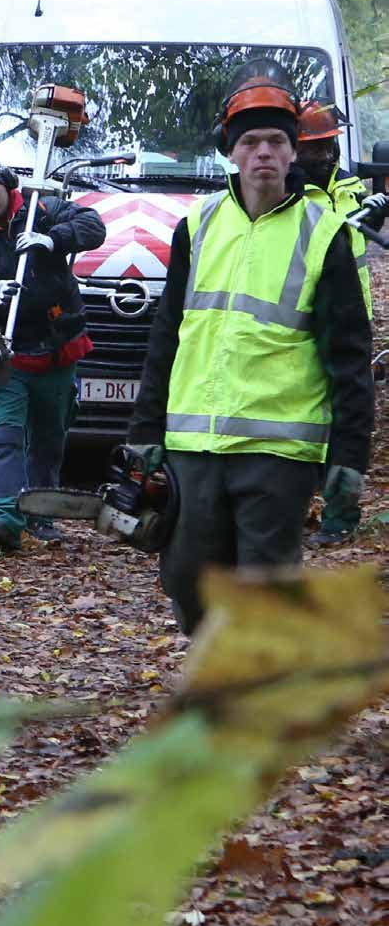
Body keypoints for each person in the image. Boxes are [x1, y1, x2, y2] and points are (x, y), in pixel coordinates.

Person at [127, 66, 373, 634]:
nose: (264, 152)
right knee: (186, 577)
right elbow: (167, 334)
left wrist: (348, 459)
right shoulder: (198, 224)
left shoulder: (327, 234)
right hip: (195, 444)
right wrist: (144, 431)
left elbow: (349, 360)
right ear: (232, 154)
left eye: (277, 142)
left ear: (293, 154)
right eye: (251, 142)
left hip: (278, 449)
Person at [0, 146, 106, 551]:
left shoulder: (44, 208)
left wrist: (52, 239)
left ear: (3, 182)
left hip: (57, 348)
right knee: (4, 435)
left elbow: (93, 226)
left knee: (49, 438)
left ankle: (41, 513)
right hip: (3, 350)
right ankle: (2, 516)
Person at [295, 100, 385, 543]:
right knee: (303, 416)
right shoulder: (292, 197)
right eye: (313, 149)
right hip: (304, 321)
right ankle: (290, 504)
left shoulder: (350, 188)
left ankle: (340, 516)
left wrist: (379, 206)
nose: (324, 156)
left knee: (351, 417)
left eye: (327, 146)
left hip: (354, 321)